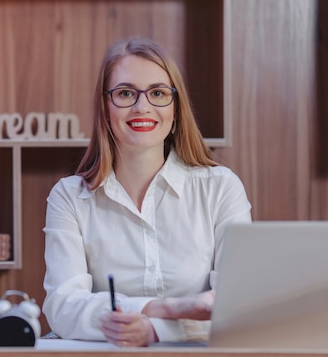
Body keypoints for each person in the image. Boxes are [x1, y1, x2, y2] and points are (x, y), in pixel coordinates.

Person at [42, 36, 252, 347]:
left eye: (158, 93)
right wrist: (163, 308)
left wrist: (154, 331)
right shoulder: (69, 197)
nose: (143, 107)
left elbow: (240, 307)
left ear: (176, 109)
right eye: (126, 93)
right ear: (105, 107)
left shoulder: (221, 188)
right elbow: (63, 307)